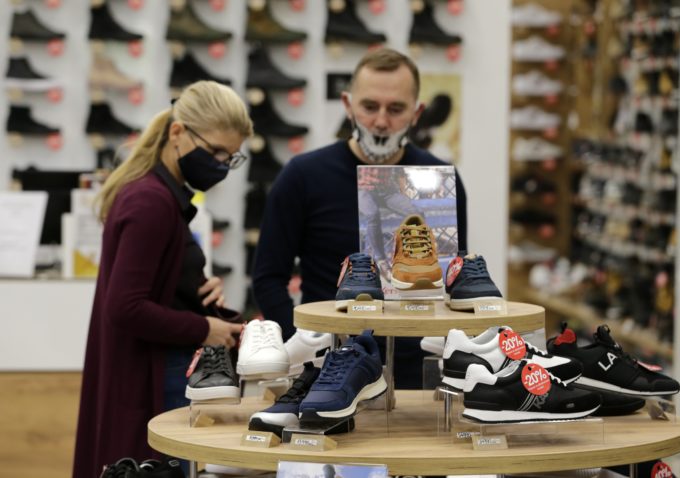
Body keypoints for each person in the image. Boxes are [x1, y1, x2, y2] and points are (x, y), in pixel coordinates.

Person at [252, 48, 467, 389]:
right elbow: (267, 277)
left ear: (417, 112)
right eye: (369, 106)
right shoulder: (302, 176)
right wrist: (304, 345)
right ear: (348, 105)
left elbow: (454, 276)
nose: (381, 121)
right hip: (328, 368)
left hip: (417, 369)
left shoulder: (440, 179)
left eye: (395, 109)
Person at [73, 81, 253, 478]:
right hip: (153, 377)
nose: (222, 165)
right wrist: (205, 328)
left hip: (159, 371)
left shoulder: (158, 196)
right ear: (177, 133)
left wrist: (193, 287)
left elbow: (152, 285)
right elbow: (125, 307)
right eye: (215, 152)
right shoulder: (150, 202)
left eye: (231, 157)